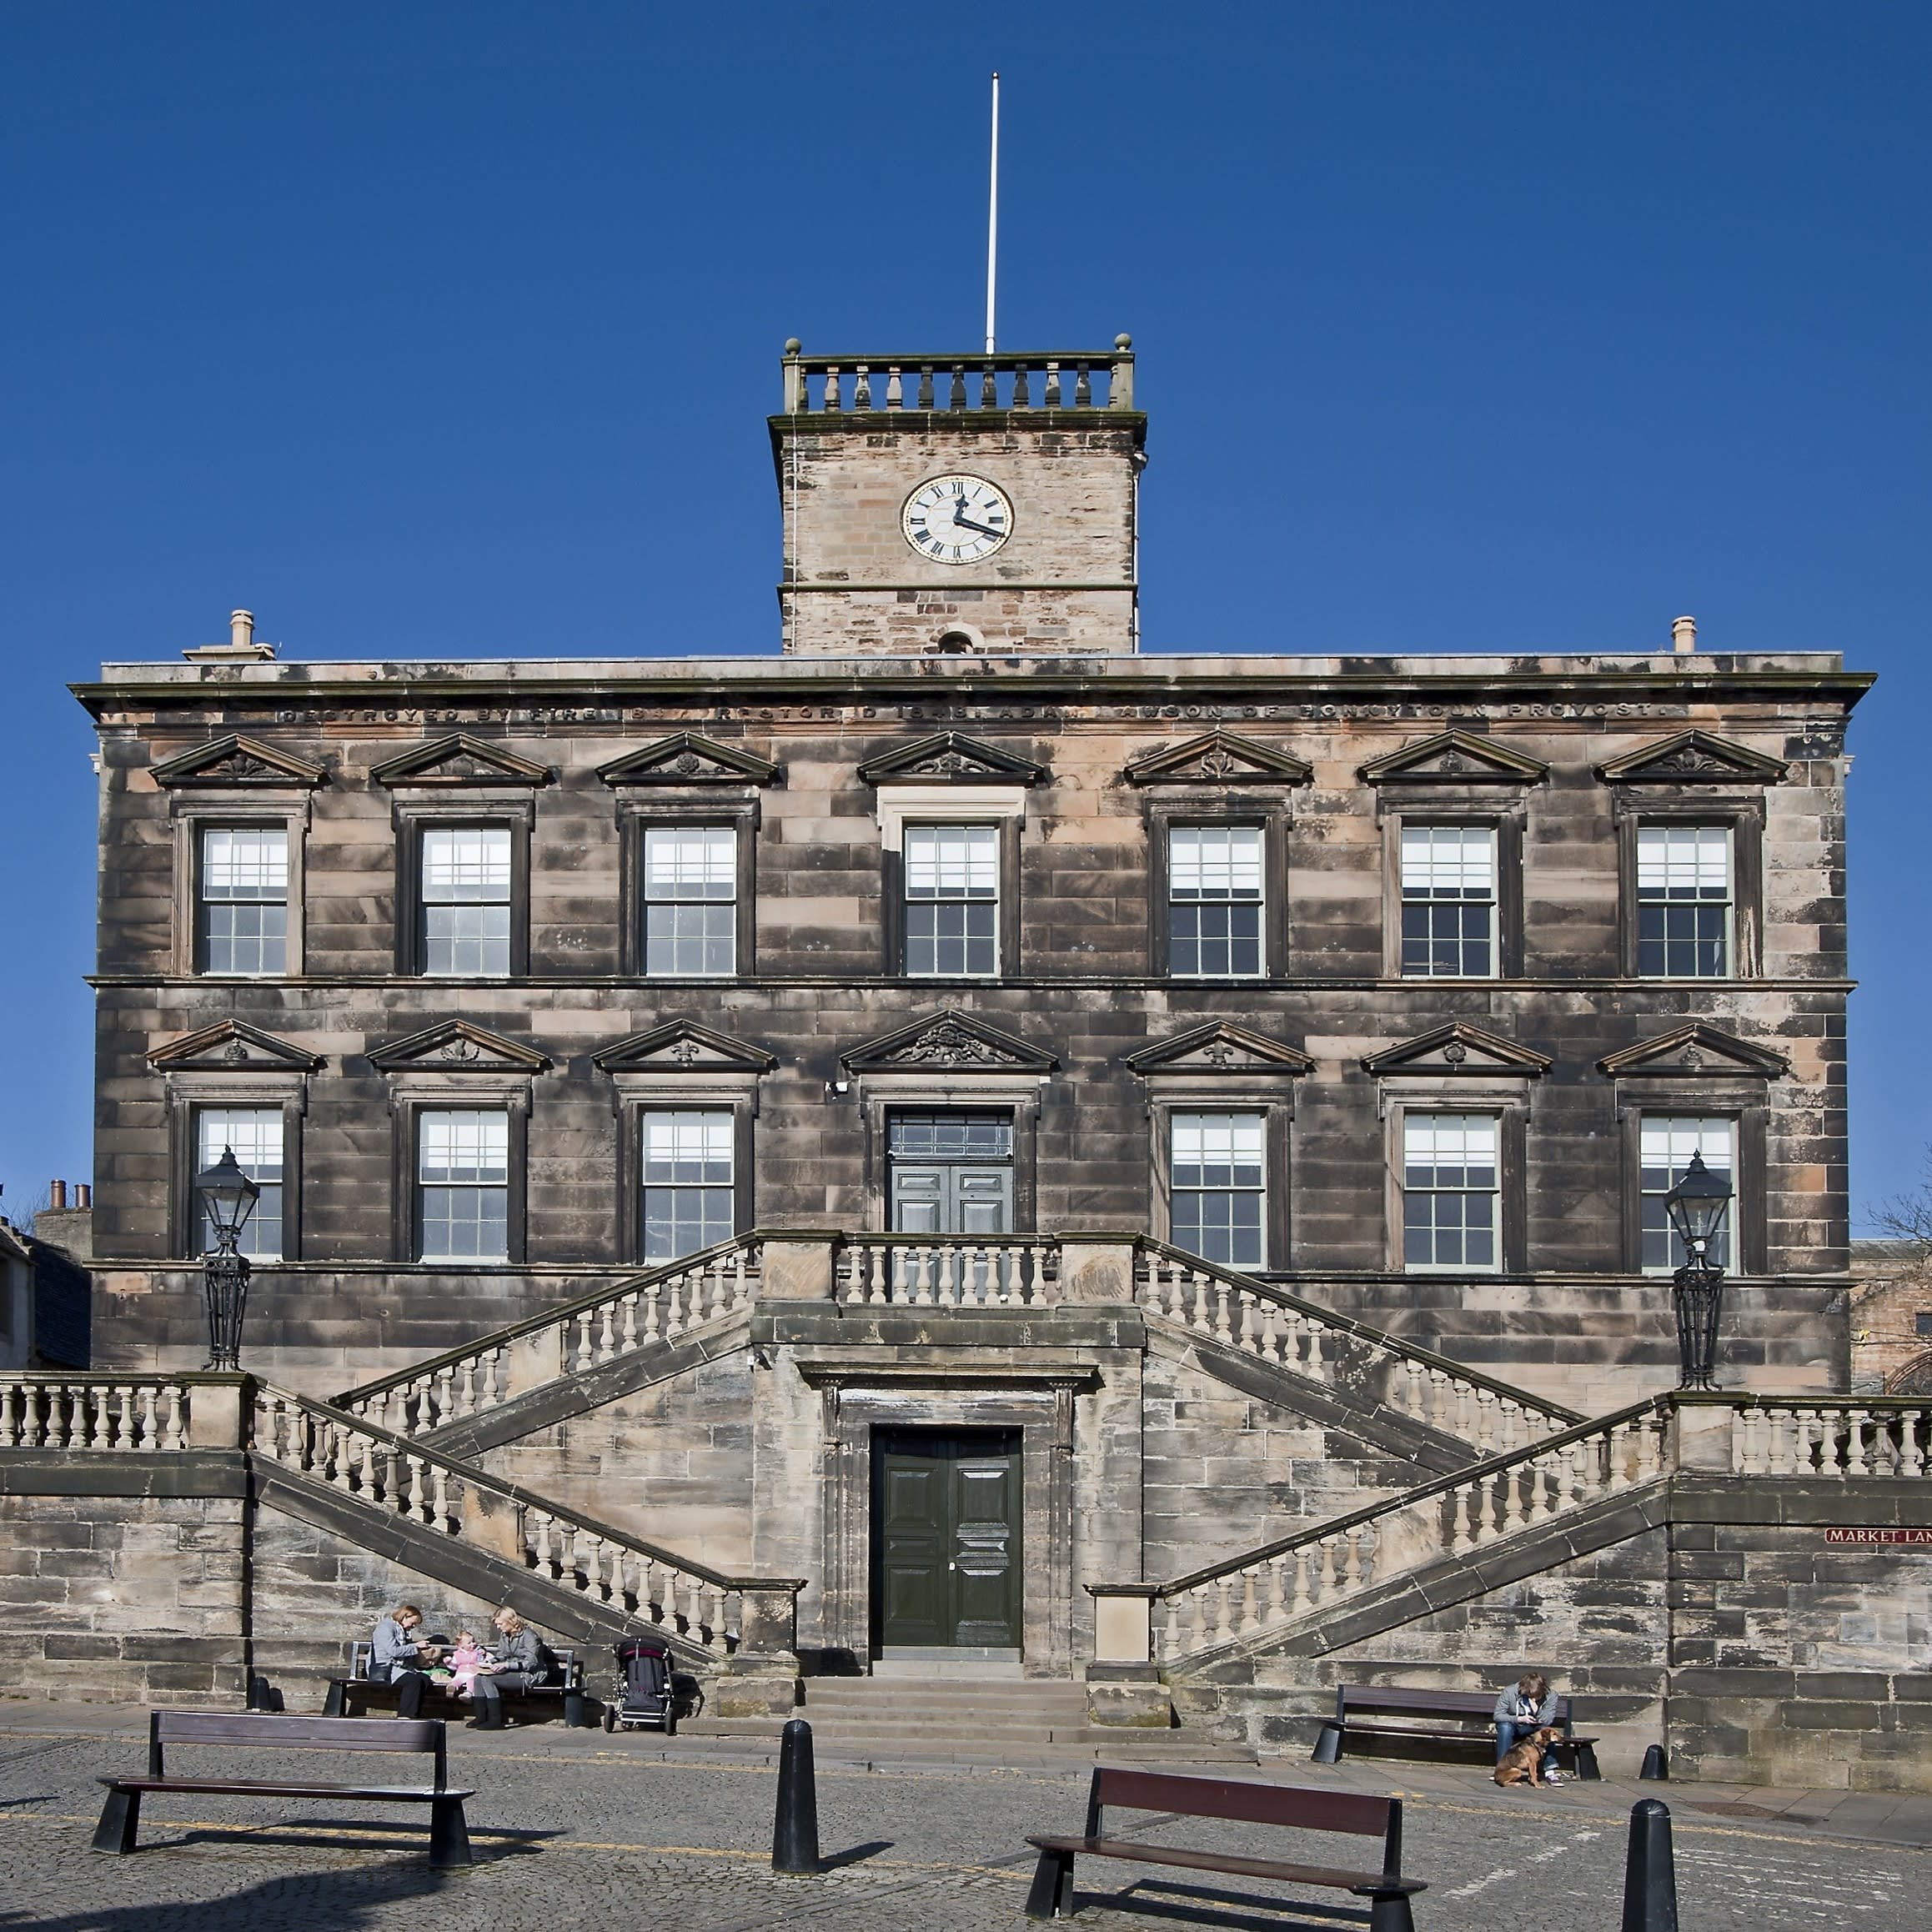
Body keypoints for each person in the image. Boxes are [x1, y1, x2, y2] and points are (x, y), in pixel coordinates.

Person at [467, 1606, 552, 1729]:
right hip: (511, 1671)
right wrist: (490, 1662)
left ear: (510, 1621)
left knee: (488, 1679)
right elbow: (502, 1654)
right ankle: (480, 1717)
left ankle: (495, 1720)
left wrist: (507, 1665)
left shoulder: (530, 1637)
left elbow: (531, 1662)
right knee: (478, 1678)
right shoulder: (505, 1635)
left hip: (529, 1675)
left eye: (500, 1624)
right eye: (497, 1624)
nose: (498, 1627)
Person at [369, 1603, 442, 1720]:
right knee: (413, 1681)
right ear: (405, 1616)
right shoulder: (386, 1628)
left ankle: (415, 1714)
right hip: (384, 1667)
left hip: (400, 1666)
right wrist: (416, 1646)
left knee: (425, 1679)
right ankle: (405, 1716)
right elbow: (393, 1651)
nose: (413, 1626)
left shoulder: (403, 1631)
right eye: (413, 1623)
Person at [1493, 1671, 1562, 1784]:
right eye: (1529, 1695)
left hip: (1535, 1727)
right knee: (1505, 1727)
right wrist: (1519, 1719)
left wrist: (1537, 1711)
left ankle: (1550, 1771)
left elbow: (1548, 1719)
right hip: (1515, 1725)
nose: (1532, 1698)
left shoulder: (1551, 1695)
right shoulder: (1510, 1691)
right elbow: (1498, 1715)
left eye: (1536, 1695)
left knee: (1547, 1731)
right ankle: (1502, 1770)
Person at [446, 1628, 488, 1698]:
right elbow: (453, 1667)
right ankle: (452, 1687)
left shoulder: (476, 1652)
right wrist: (448, 1662)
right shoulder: (457, 1654)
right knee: (457, 1680)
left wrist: (482, 1654)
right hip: (461, 1673)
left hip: (473, 1673)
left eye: (473, 1641)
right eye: (469, 1643)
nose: (473, 1644)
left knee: (472, 1680)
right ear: (461, 1645)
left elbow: (481, 1662)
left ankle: (468, 1693)